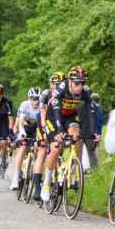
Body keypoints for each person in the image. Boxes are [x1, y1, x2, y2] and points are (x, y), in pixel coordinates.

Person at [41, 66, 98, 202]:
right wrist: (60, 131)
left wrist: (94, 131)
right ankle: (46, 183)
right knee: (56, 147)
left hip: (69, 117)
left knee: (77, 137)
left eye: (82, 83)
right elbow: (55, 111)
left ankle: (72, 169)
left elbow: (90, 113)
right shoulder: (62, 88)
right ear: (70, 82)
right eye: (77, 83)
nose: (80, 86)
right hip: (53, 118)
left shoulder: (85, 92)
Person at [32, 71, 64, 201]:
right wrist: (45, 129)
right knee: (43, 149)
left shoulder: (66, 93)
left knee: (58, 148)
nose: (56, 86)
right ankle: (37, 186)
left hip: (59, 122)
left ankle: (59, 177)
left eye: (59, 84)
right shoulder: (45, 94)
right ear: (50, 84)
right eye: (54, 84)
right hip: (44, 122)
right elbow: (43, 112)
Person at [10, 87, 41, 190]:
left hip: (36, 128)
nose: (36, 101)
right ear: (29, 98)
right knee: (23, 148)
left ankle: (36, 174)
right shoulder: (25, 105)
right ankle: (16, 176)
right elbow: (20, 121)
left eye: (38, 98)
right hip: (25, 127)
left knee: (39, 150)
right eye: (33, 98)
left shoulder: (42, 106)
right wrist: (21, 132)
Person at [83, 92, 103, 171]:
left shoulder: (93, 107)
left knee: (90, 149)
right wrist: (99, 132)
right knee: (96, 148)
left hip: (92, 130)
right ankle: (95, 166)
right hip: (97, 130)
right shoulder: (100, 107)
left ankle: (91, 167)